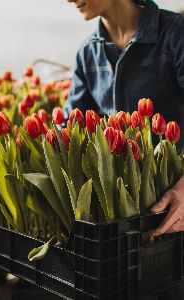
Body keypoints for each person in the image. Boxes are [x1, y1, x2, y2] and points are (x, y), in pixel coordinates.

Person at [65, 0, 184, 299]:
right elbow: (72, 133)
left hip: (177, 210)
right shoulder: (87, 53)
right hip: (123, 226)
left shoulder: (174, 35)